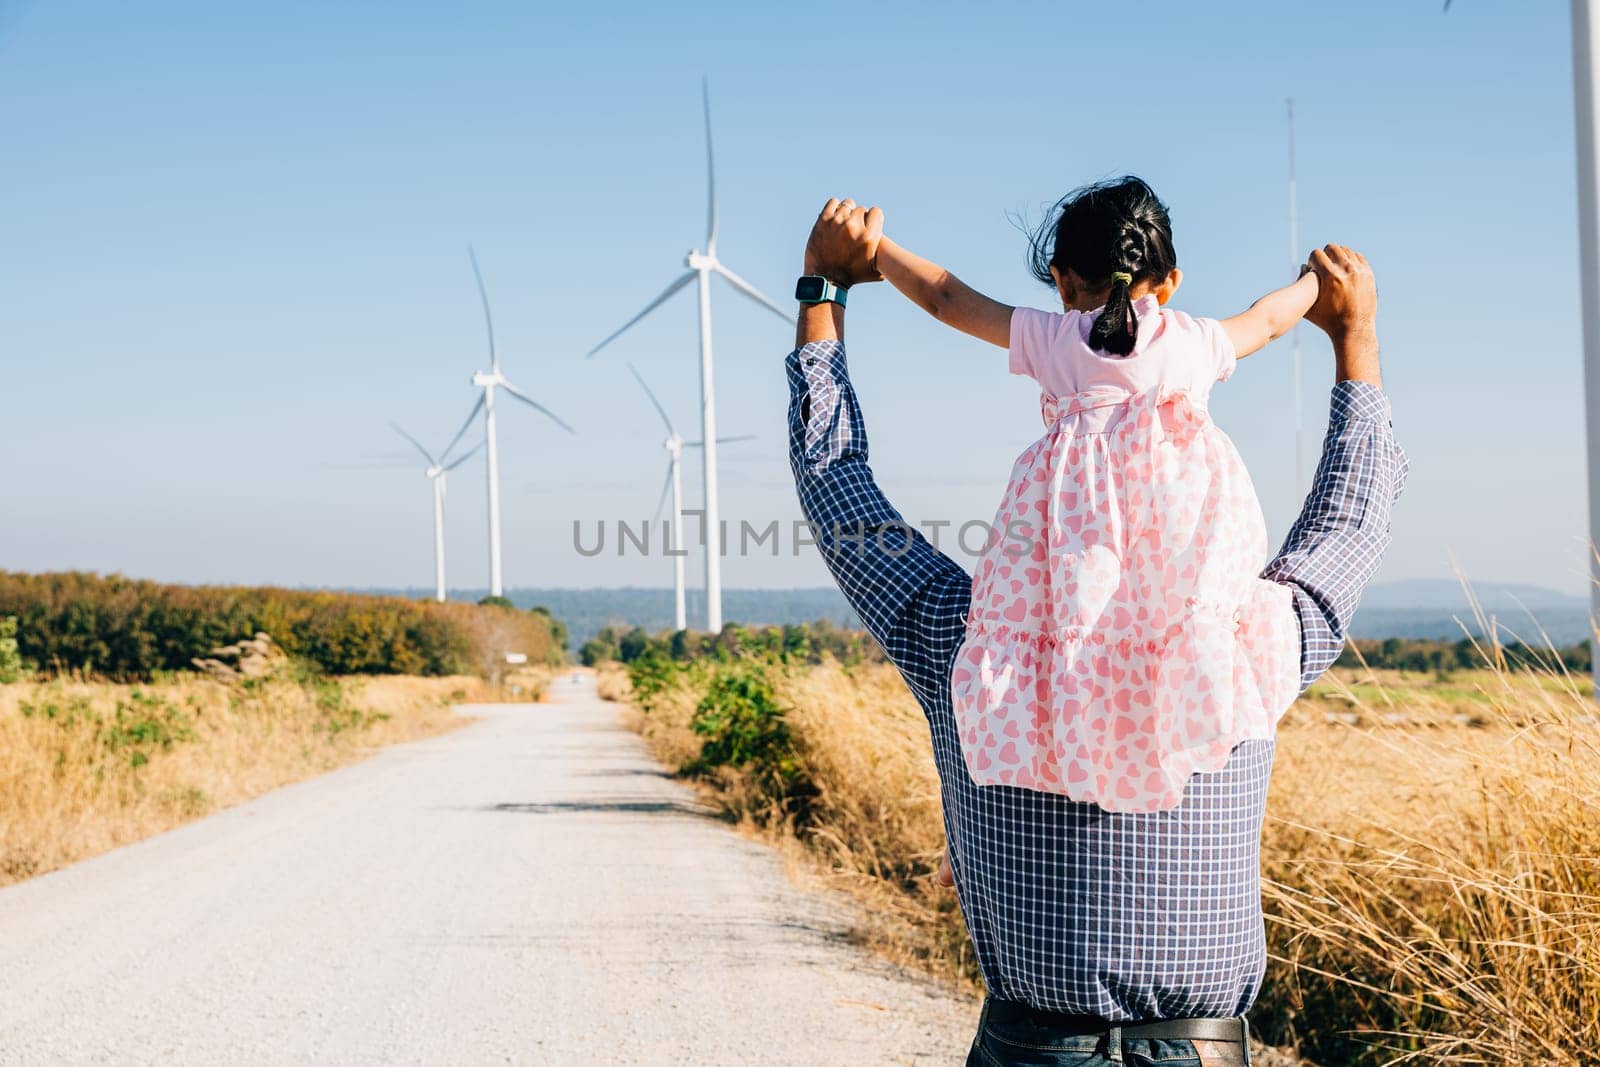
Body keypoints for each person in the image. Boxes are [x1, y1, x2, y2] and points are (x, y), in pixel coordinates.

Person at [786, 198, 1406, 1067]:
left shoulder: (968, 652)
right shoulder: (1250, 652)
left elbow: (839, 493)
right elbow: (1349, 523)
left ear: (1061, 284)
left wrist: (825, 294)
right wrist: (1355, 340)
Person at [872, 176, 1321, 812]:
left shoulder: (1056, 339)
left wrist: (876, 246)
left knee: (1057, 661)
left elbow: (945, 296)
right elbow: (1271, 320)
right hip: (1171, 560)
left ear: (1060, 281)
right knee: (1174, 647)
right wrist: (1314, 280)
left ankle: (987, 814)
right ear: (1168, 284)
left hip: (1072, 557)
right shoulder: (1193, 342)